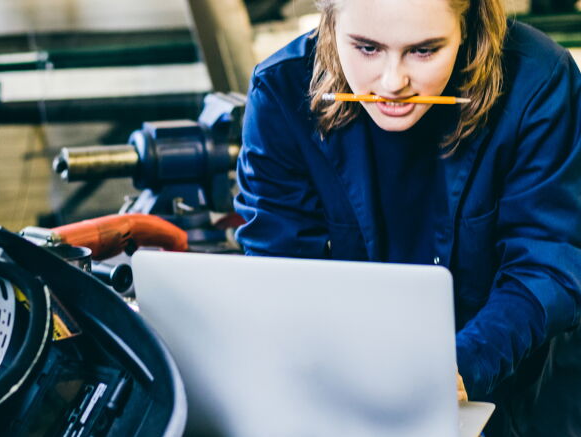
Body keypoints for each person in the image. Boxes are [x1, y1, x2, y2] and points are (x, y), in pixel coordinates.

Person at [233, 0, 581, 435]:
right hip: (348, 402)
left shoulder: (539, 82)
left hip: (519, 398)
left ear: (466, 22)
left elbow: (546, 264)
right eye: (366, 48)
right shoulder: (282, 91)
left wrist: (462, 366)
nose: (393, 83)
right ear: (330, 20)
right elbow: (279, 273)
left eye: (424, 50)